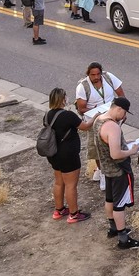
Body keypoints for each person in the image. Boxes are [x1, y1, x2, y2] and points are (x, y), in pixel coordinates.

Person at [94, 97, 139, 250]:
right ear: (119, 109)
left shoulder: (99, 119)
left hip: (106, 168)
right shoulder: (112, 127)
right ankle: (123, 239)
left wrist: (123, 141)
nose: (124, 117)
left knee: (109, 199)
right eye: (124, 113)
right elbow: (115, 154)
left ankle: (113, 228)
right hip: (119, 170)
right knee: (119, 205)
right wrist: (131, 151)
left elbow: (107, 142)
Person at [43, 87, 92, 223]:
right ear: (62, 99)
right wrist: (95, 117)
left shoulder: (47, 115)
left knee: (59, 182)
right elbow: (85, 126)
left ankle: (59, 210)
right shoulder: (68, 115)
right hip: (68, 154)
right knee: (71, 185)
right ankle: (74, 213)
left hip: (53, 154)